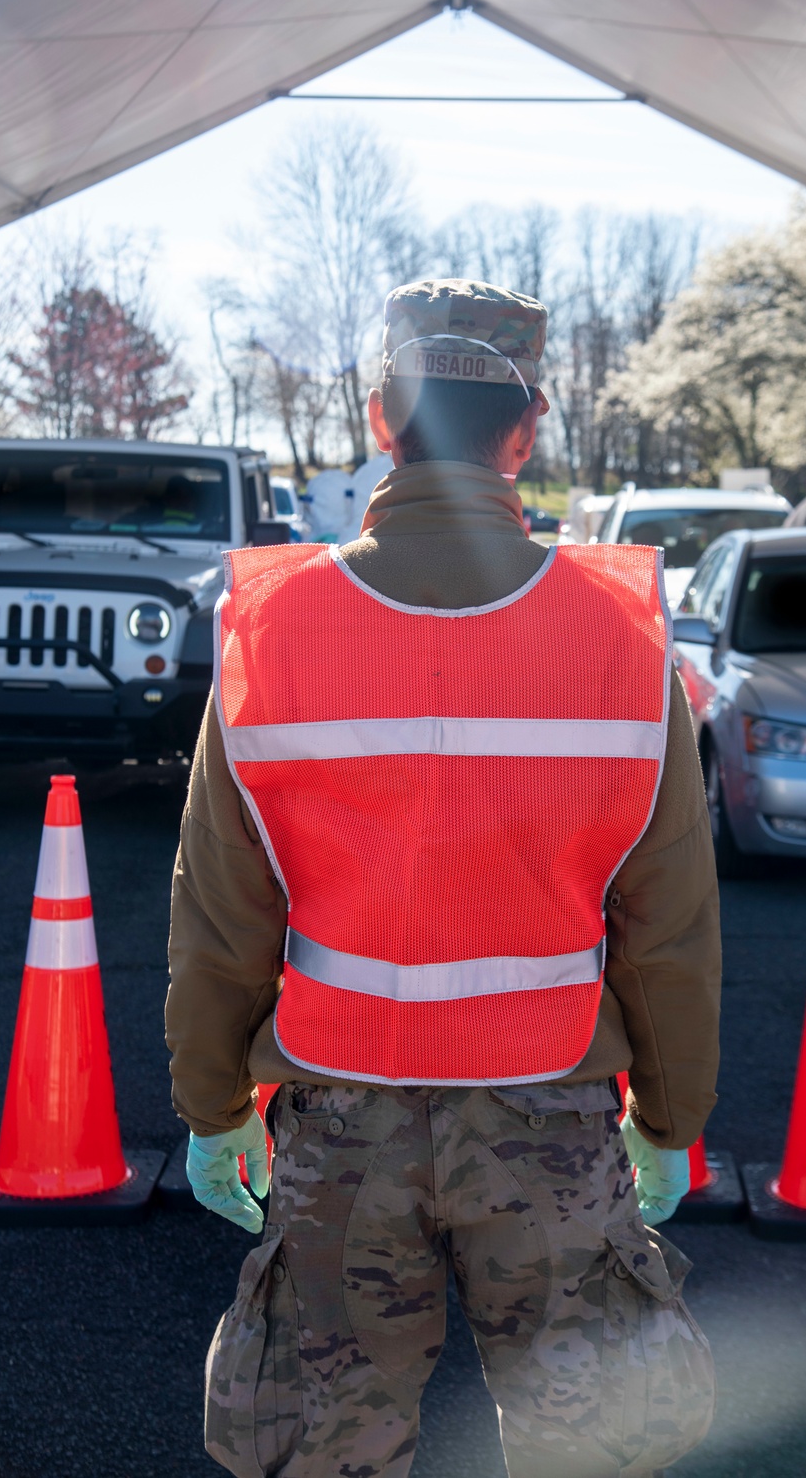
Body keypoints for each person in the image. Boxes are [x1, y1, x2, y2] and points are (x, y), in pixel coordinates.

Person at [166, 278, 720, 1478]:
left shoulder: (274, 629)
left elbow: (221, 907)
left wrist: (214, 1105)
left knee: (324, 1448)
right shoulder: (621, 639)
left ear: (379, 418)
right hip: (554, 1119)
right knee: (594, 1448)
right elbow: (666, 921)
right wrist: (671, 1121)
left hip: (337, 1120)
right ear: (527, 430)